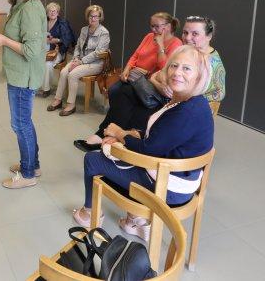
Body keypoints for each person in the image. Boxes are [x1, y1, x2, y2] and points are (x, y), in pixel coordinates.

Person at [72, 45, 214, 241]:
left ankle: (88, 215)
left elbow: (148, 150)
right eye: (174, 66)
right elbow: (160, 136)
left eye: (186, 68)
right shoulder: (192, 102)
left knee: (92, 160)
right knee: (118, 151)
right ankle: (136, 221)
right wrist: (128, 134)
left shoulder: (185, 111)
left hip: (167, 188)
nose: (177, 73)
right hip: (178, 179)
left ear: (200, 75)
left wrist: (120, 134)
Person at [74, 12, 182, 152]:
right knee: (114, 91)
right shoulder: (149, 37)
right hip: (134, 76)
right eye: (152, 26)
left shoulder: (176, 43)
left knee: (123, 93)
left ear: (168, 26)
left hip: (150, 83)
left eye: (157, 26)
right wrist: (126, 69)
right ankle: (114, 131)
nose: (153, 30)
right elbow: (135, 55)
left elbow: (165, 68)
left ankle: (103, 134)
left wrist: (160, 46)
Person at [0, 0, 46, 189]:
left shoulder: (31, 8)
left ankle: (28, 174)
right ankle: (33, 164)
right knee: (24, 122)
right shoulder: (20, 4)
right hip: (18, 75)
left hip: (24, 77)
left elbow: (31, 51)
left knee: (20, 124)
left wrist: (3, 40)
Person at [47, 5, 110, 116]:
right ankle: (58, 100)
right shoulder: (84, 29)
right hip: (79, 60)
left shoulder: (104, 32)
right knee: (63, 72)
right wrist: (75, 58)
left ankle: (71, 105)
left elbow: (98, 53)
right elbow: (77, 47)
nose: (93, 19)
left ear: (100, 17)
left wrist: (80, 62)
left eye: (96, 16)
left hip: (95, 63)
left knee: (73, 74)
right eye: (91, 16)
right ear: (87, 17)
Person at [150, 16, 226, 103]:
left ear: (208, 36)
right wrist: (157, 83)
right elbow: (158, 75)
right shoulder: (185, 52)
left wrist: (156, 82)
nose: (187, 38)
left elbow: (219, 94)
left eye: (195, 34)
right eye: (185, 33)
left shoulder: (211, 62)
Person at [40, 2, 75, 97]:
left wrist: (56, 40)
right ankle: (34, 85)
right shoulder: (43, 22)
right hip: (43, 50)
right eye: (50, 11)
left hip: (57, 51)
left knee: (47, 64)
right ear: (47, 13)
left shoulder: (62, 23)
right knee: (33, 60)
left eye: (54, 11)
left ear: (58, 12)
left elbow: (68, 39)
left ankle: (46, 89)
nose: (52, 13)